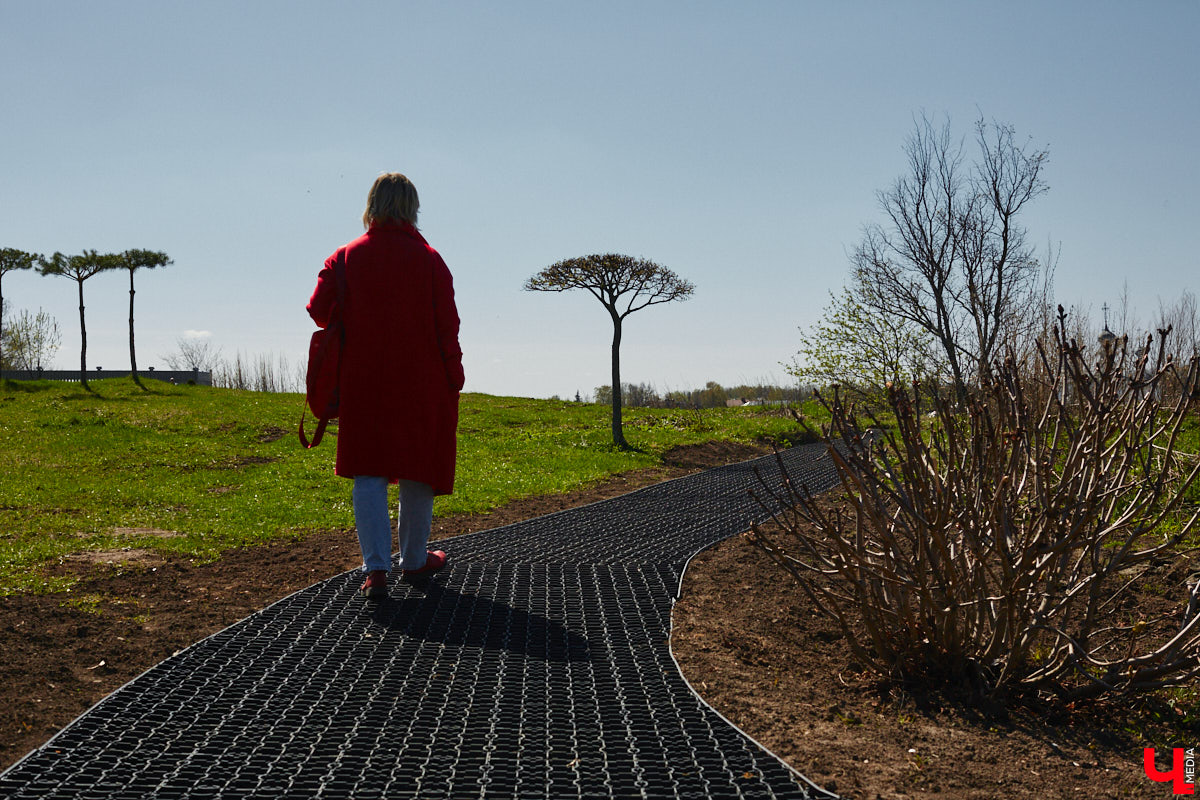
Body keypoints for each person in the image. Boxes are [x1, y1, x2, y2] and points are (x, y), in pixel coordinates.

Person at [307, 173, 464, 601]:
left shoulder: (346, 257)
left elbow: (318, 311)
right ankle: (414, 560)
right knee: (418, 470)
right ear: (412, 207)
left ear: (371, 205)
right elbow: (447, 326)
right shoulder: (431, 260)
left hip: (364, 381)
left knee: (369, 471)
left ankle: (375, 570)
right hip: (422, 380)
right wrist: (455, 375)